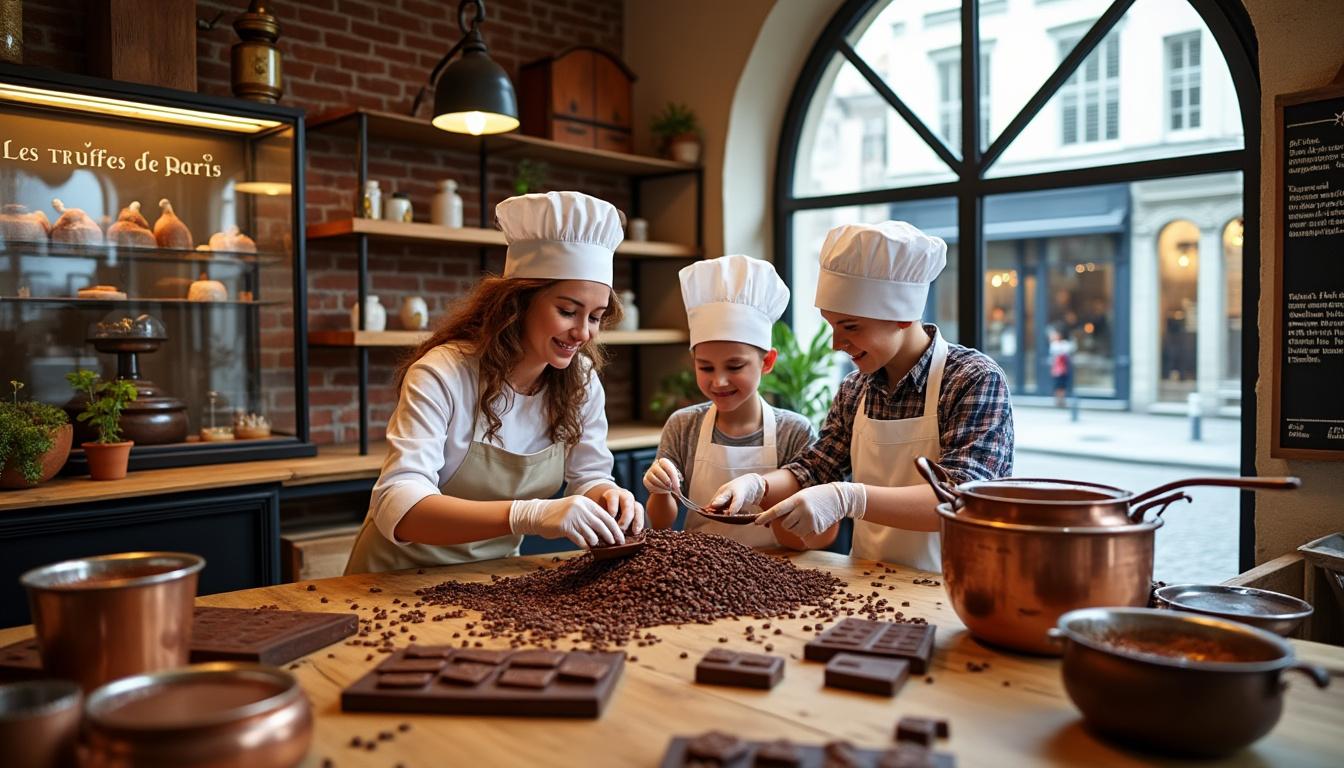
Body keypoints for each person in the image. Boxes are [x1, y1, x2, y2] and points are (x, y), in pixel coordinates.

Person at [345, 191, 644, 574]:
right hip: (392, 580)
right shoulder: (443, 373)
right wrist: (528, 515)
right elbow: (398, 504)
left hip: (492, 579)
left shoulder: (580, 380)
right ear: (517, 303)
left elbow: (589, 476)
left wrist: (608, 496)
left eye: (595, 317)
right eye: (567, 311)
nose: (582, 332)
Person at [709, 221, 1014, 571]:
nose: (837, 344)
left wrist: (848, 497)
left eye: (850, 326)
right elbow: (814, 470)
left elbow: (960, 497)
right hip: (870, 582)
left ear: (902, 315)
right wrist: (756, 486)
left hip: (955, 587)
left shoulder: (972, 379)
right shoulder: (856, 390)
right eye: (831, 325)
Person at [640, 254, 824, 549]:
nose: (719, 381)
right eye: (706, 367)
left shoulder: (794, 431)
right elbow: (662, 524)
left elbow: (805, 536)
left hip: (776, 570)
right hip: (695, 568)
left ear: (767, 362)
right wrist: (660, 491)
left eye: (735, 367)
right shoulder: (683, 425)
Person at [1048, 326, 1075, 407]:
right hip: (1057, 370)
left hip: (1063, 369)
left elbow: (1069, 350)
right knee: (1057, 385)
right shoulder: (1054, 345)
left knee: (1062, 385)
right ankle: (1058, 400)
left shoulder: (1065, 344)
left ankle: (1062, 400)